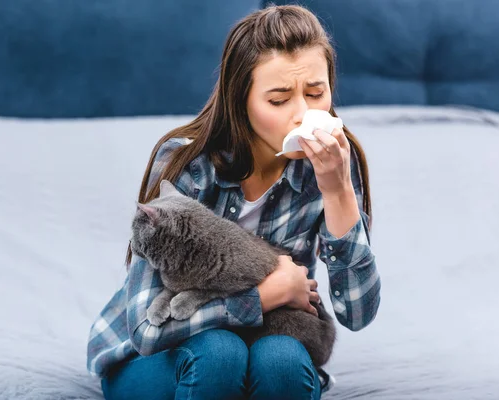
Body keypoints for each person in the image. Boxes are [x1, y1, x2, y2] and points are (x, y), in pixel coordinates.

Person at [87, 4, 381, 399]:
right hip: (162, 355)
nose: (303, 114)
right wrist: (265, 296)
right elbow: (147, 330)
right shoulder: (187, 164)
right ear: (240, 100)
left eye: (316, 93)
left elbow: (357, 314)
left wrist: (338, 190)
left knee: (282, 362)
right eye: (278, 100)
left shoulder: (333, 166)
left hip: (264, 345)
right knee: (219, 353)